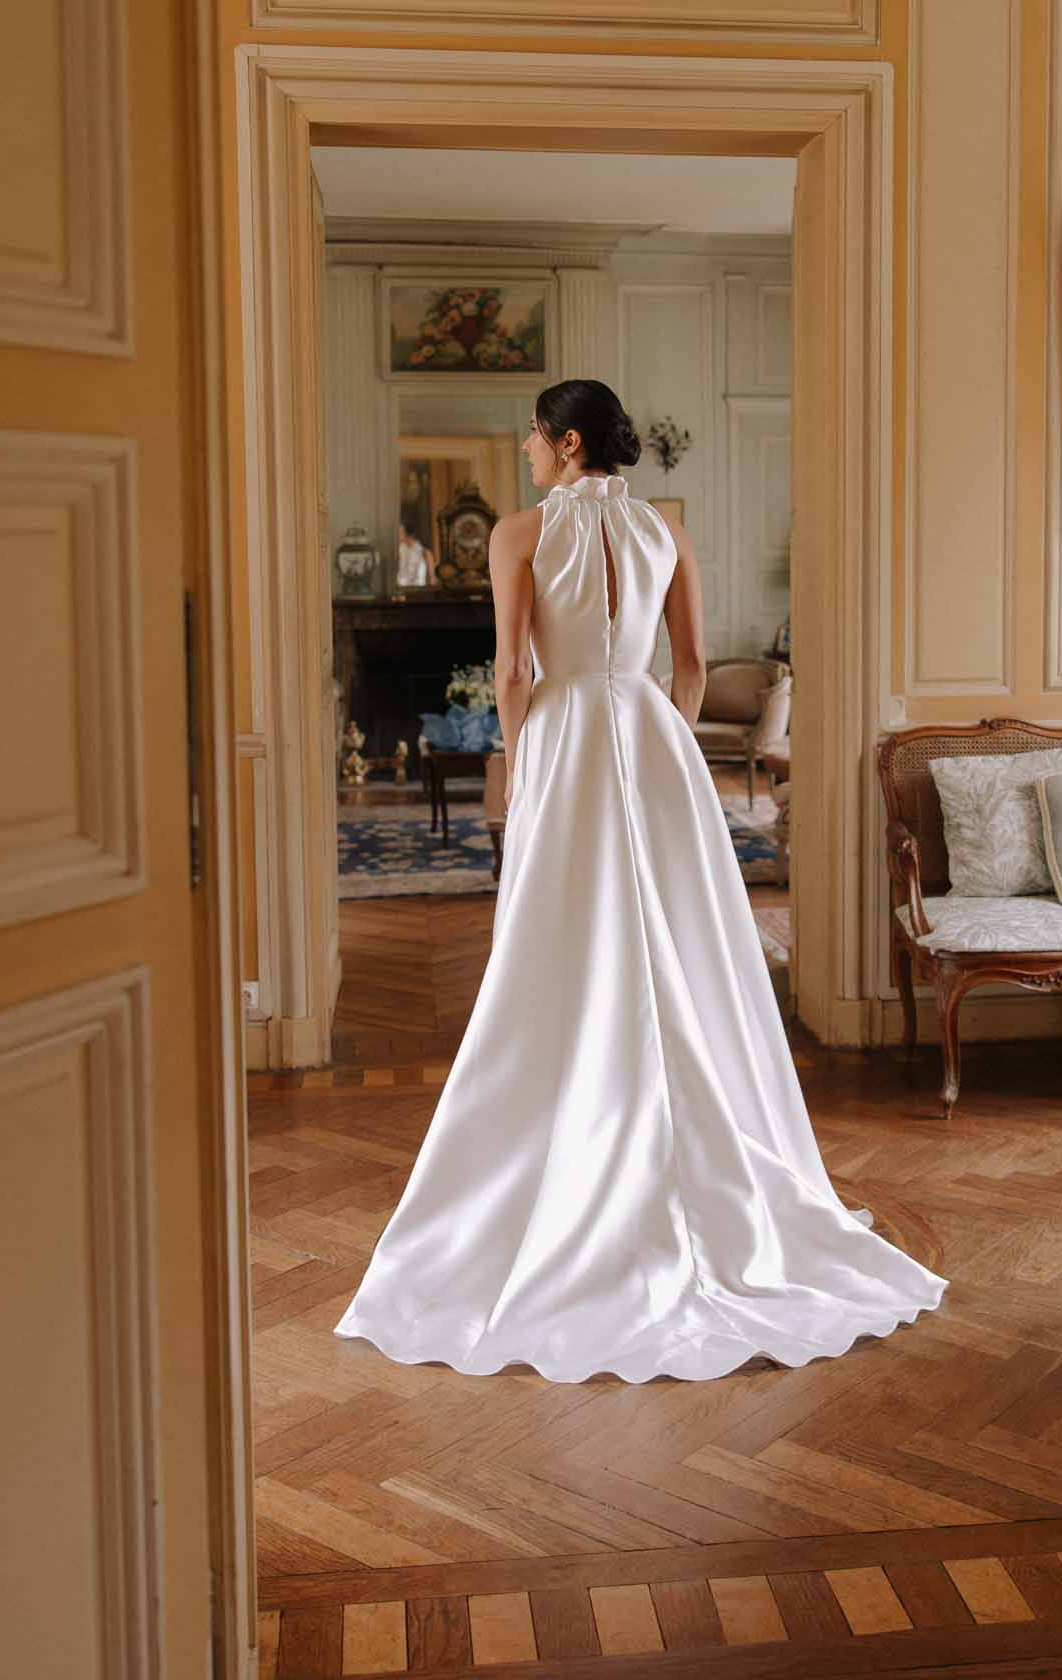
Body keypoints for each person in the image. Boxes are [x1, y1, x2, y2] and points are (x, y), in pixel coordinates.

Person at [334, 379, 946, 1381]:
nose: (526, 451)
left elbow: (516, 674)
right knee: (683, 946)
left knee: (560, 950)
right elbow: (694, 665)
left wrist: (522, 774)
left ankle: (572, 1158)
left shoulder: (519, 535)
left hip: (569, 739)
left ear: (567, 441)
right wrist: (652, 731)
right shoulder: (666, 530)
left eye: (534, 437)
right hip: (653, 741)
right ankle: (709, 1173)